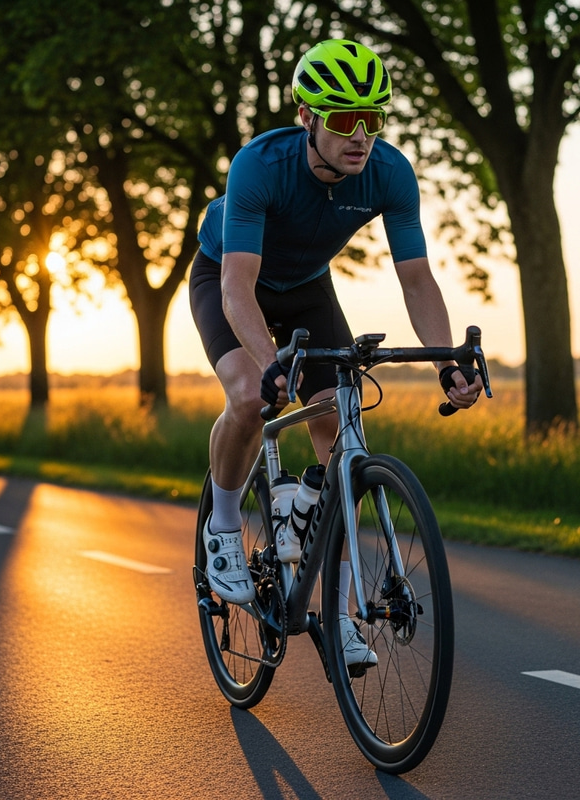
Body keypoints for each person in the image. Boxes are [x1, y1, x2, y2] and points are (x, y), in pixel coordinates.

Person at [189, 38, 483, 666]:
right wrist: (272, 363)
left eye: (373, 119)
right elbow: (240, 286)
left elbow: (416, 279)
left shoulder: (390, 173)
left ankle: (341, 610)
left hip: (305, 290)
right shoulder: (260, 166)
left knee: (337, 425)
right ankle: (221, 528)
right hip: (229, 279)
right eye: (346, 120)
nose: (362, 136)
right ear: (308, 117)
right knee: (248, 397)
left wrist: (445, 361)